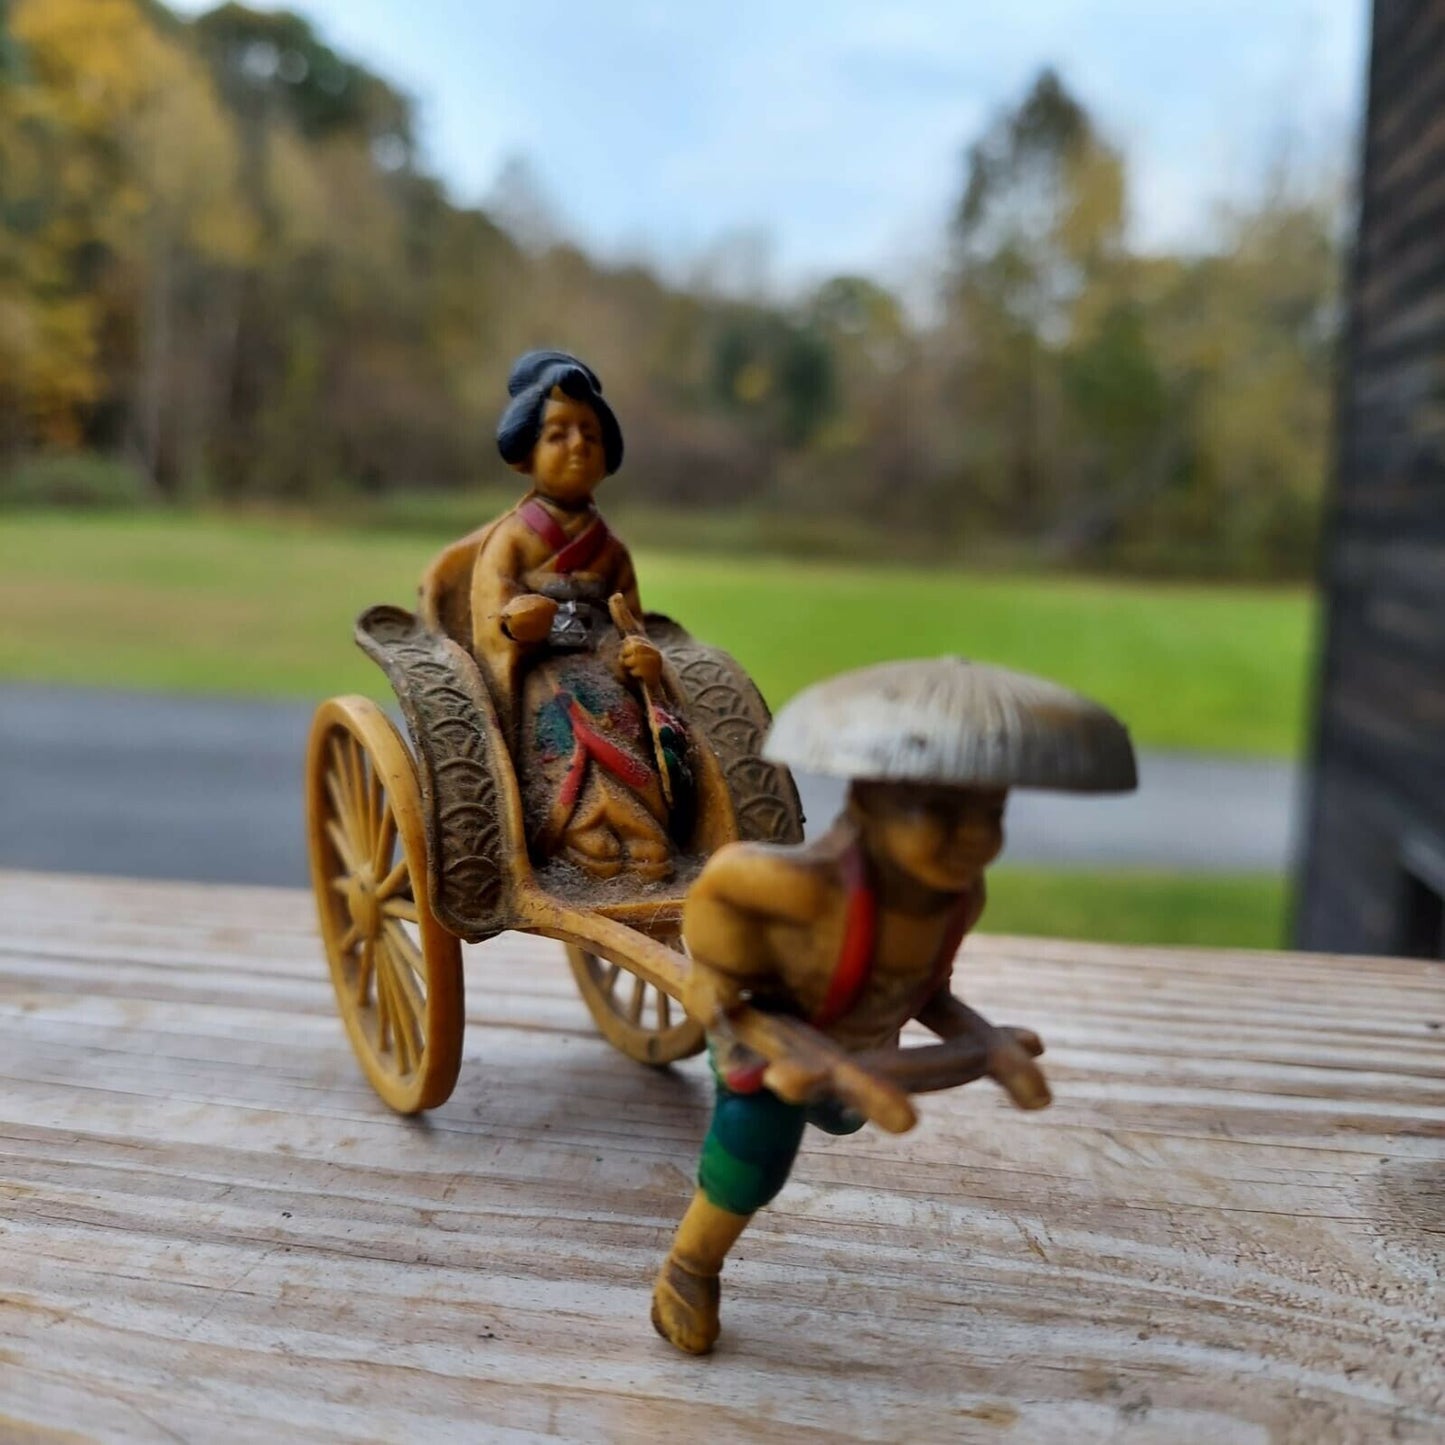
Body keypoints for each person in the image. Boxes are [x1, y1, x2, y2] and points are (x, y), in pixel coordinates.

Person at [651, 657, 1137, 1354]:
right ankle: (688, 1270)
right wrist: (718, 974)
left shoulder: (957, 899)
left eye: (989, 814)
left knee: (839, 1117)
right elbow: (722, 882)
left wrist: (985, 1042)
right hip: (769, 1032)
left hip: (860, 1045)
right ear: (870, 803)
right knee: (754, 1154)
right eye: (937, 812)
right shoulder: (806, 888)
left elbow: (926, 991)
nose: (972, 837)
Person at [463, 351, 682, 881]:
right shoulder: (512, 539)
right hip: (538, 672)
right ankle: (573, 829)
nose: (578, 445)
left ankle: (642, 825)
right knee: (561, 720)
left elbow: (626, 620)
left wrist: (634, 655)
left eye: (590, 433)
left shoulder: (611, 550)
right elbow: (492, 616)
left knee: (624, 720)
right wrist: (517, 626)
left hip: (600, 669)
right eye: (558, 434)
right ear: (524, 455)